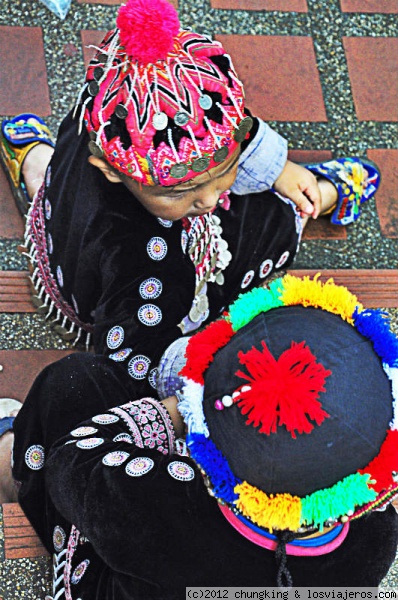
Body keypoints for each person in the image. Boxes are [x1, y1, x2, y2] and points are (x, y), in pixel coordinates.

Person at [0, 0, 380, 402]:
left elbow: (224, 127)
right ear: (112, 168)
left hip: (67, 232)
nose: (212, 199)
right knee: (267, 223)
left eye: (227, 168)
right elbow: (132, 359)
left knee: (58, 174)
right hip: (109, 288)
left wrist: (278, 168)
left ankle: (33, 162)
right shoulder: (150, 267)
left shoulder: (118, 104)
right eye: (180, 191)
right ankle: (313, 199)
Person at [1, 274, 398, 598]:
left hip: (137, 572)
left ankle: (8, 458)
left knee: (75, 383)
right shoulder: (377, 536)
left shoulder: (162, 502)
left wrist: (174, 413)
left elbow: (72, 462)